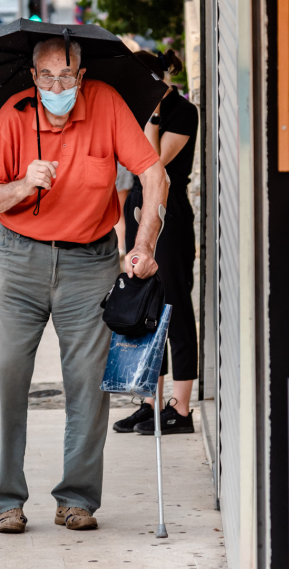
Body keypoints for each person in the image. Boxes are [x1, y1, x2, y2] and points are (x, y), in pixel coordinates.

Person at [0, 37, 168, 534]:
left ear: (81, 77)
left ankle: (77, 499)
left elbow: (154, 175)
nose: (55, 86)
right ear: (33, 77)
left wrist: (143, 244)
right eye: (46, 76)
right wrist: (23, 185)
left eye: (65, 76)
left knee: (87, 382)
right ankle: (5, 501)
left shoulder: (105, 103)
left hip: (90, 261)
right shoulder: (13, 114)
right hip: (18, 259)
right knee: (7, 375)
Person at [114, 50, 200, 436]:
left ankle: (180, 408)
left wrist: (151, 116)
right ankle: (151, 402)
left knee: (174, 305)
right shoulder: (134, 112)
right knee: (147, 306)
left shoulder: (183, 112)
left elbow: (153, 163)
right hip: (140, 206)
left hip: (170, 210)